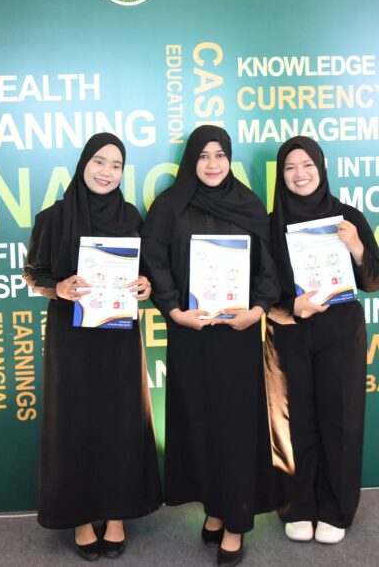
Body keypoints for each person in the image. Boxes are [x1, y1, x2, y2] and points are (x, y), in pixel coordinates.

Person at [141, 125, 280, 567]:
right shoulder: (169, 206)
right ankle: (215, 509)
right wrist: (173, 309)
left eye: (220, 155)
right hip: (191, 334)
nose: (213, 164)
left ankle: (235, 521)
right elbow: (154, 261)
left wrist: (258, 310)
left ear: (229, 158)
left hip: (237, 337)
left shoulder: (249, 203)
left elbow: (269, 264)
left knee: (235, 428)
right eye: (203, 155)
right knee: (199, 423)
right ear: (191, 160)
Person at [23, 133, 162, 561]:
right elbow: (33, 273)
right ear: (84, 163)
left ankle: (117, 515)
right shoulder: (53, 217)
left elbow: (146, 274)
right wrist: (59, 287)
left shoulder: (131, 216)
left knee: (121, 421)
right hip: (72, 340)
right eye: (99, 161)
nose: (107, 172)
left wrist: (145, 285)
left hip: (119, 338)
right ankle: (81, 518)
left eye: (116, 165)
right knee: (75, 423)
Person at [266, 135, 379, 545]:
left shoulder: (347, 217)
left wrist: (355, 247)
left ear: (321, 168)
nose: (300, 174)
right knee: (291, 421)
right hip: (289, 333)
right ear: (281, 175)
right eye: (290, 167)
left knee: (340, 419)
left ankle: (336, 509)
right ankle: (297, 506)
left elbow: (375, 280)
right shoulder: (270, 223)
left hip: (340, 333)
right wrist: (292, 307)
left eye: (307, 165)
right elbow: (260, 289)